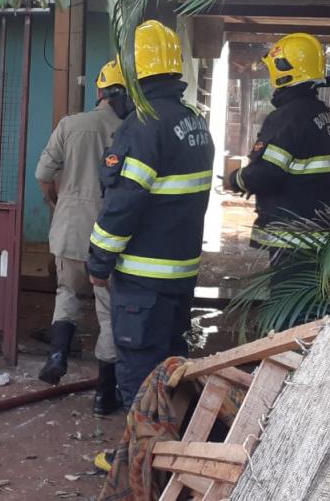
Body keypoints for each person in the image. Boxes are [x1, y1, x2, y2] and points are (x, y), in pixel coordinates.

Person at [86, 20, 215, 414]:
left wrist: (98, 260)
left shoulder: (141, 127)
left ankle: (140, 467)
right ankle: (168, 455)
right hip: (181, 273)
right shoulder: (193, 121)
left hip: (144, 281)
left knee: (141, 375)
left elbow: (124, 203)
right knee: (171, 368)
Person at [33, 60, 131, 416]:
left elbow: (43, 174)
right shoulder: (131, 129)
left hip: (70, 227)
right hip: (111, 234)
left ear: (99, 92)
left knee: (67, 292)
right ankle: (105, 395)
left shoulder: (70, 125)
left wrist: (58, 201)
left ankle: (57, 355)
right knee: (108, 313)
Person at [224, 32, 330, 289]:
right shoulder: (323, 115)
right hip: (320, 230)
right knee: (312, 304)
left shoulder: (287, 117)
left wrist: (237, 180)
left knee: (288, 308)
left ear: (283, 71)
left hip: (293, 234)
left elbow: (267, 172)